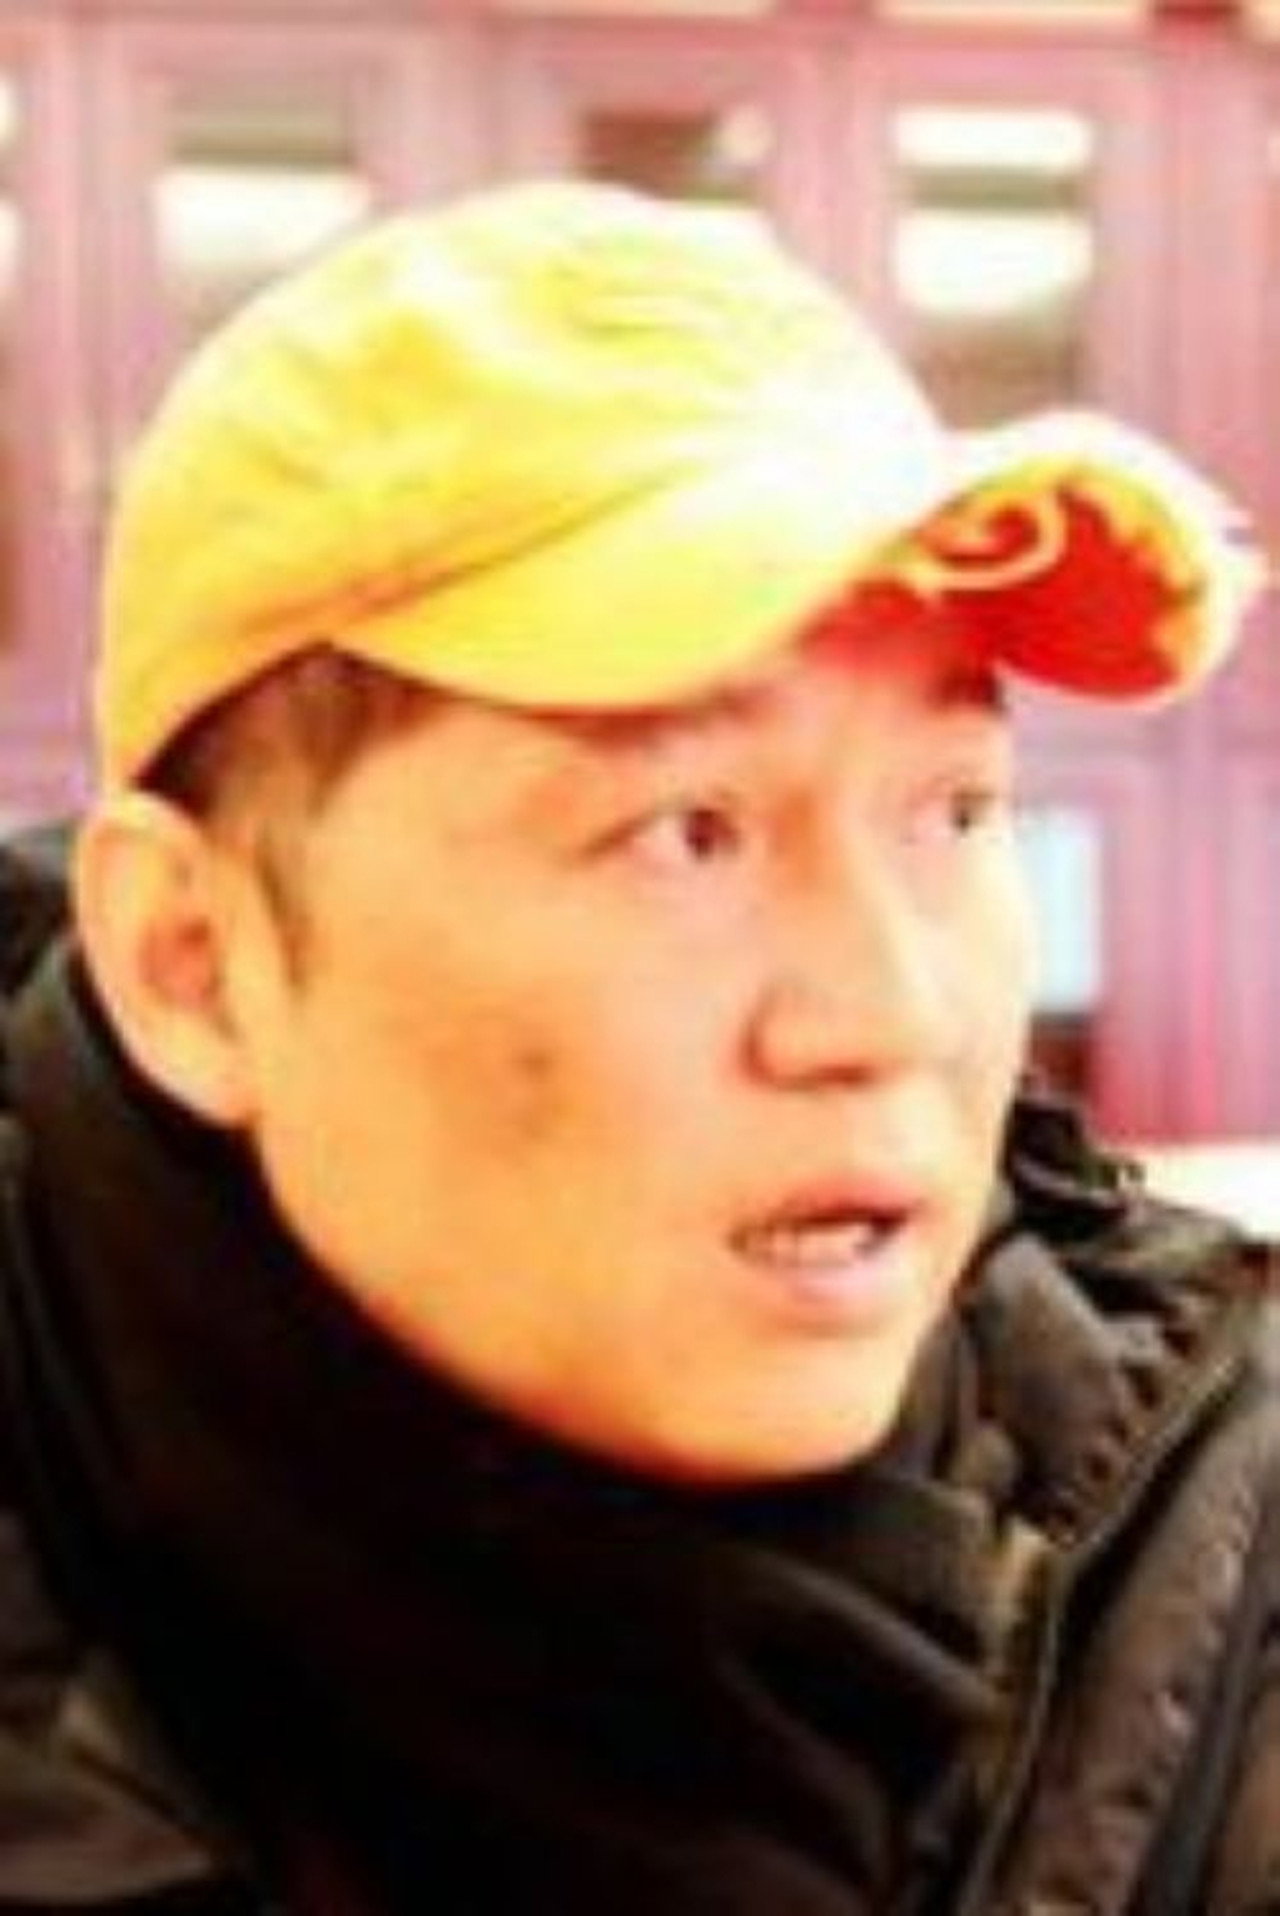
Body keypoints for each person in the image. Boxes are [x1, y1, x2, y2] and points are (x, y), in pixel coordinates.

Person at [0, 180, 1275, 1916]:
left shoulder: (1199, 1539)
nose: (890, 1016)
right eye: (687, 833)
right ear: (194, 964)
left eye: (954, 811)